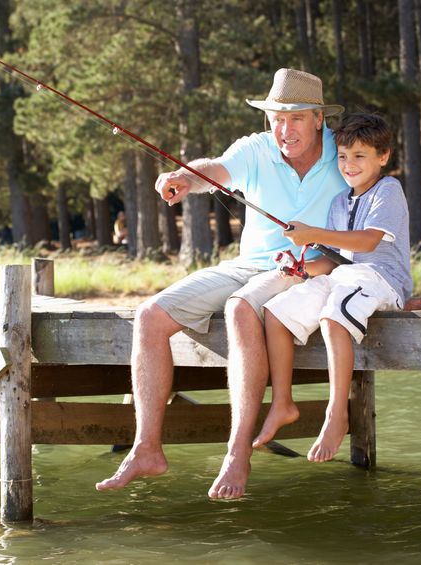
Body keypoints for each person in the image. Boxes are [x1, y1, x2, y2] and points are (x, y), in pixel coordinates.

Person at [95, 68, 349, 498]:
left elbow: (372, 212)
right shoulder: (255, 149)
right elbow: (212, 169)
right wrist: (182, 179)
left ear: (319, 117)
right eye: (276, 118)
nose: (284, 130)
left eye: (296, 119)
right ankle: (146, 449)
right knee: (149, 316)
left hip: (309, 272)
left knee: (240, 307)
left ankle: (237, 453)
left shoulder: (343, 155)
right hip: (249, 265)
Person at [252, 113, 411, 464]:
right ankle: (283, 402)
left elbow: (368, 243)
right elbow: (336, 259)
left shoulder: (389, 190)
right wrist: (300, 268)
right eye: (342, 156)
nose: (348, 164)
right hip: (347, 277)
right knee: (276, 311)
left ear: (383, 156)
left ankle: (336, 412)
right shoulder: (341, 202)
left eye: (359, 156)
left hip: (381, 279)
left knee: (333, 316)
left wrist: (313, 234)